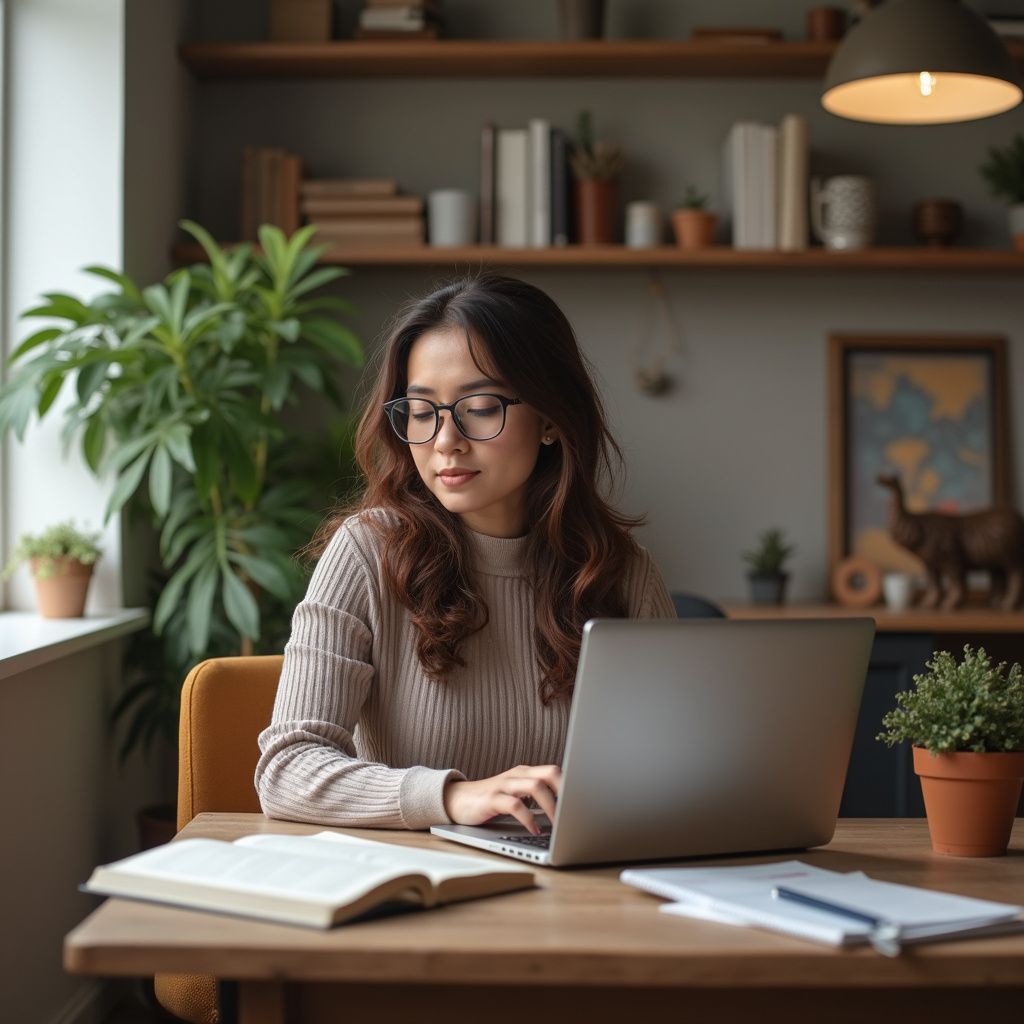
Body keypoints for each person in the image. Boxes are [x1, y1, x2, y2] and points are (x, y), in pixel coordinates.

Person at [255, 273, 676, 836]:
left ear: (550, 417)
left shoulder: (622, 573)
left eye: (478, 407)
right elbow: (286, 769)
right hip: (418, 890)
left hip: (573, 891)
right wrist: (452, 796)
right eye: (423, 411)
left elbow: (673, 768)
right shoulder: (367, 553)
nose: (445, 440)